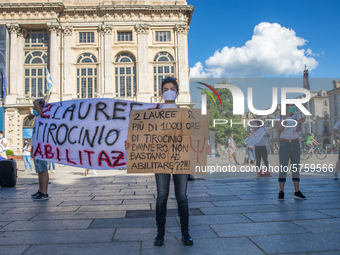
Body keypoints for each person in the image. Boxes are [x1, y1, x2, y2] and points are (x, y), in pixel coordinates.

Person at [125, 77, 193, 246]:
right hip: (160, 158)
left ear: (177, 92)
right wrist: (131, 143)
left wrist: (201, 146)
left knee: (182, 196)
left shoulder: (185, 113)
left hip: (180, 159)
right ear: (162, 93)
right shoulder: (153, 114)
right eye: (165, 88)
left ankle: (186, 233)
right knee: (162, 195)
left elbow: (192, 136)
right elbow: (144, 136)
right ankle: (160, 233)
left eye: (172, 88)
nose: (169, 91)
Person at [275, 104, 306, 200]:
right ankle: (281, 192)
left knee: (295, 167)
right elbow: (279, 131)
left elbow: (297, 131)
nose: (293, 107)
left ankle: (297, 191)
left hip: (295, 143)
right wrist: (284, 121)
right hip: (284, 143)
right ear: (286, 107)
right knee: (283, 167)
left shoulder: (297, 116)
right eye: (291, 106)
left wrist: (299, 123)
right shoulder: (278, 117)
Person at [31, 99, 50, 200]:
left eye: (35, 108)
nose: (34, 109)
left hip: (42, 147)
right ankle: (40, 190)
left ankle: (44, 192)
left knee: (43, 170)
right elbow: (34, 135)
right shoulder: (37, 119)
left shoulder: (44, 117)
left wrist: (41, 101)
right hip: (36, 147)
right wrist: (32, 148)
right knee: (39, 170)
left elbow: (36, 102)